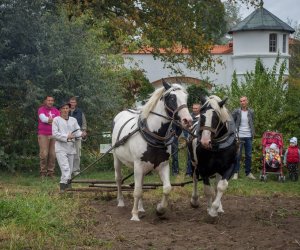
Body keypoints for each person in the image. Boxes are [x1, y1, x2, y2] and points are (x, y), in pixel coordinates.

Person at [52, 102, 86, 192]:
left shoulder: (73, 120)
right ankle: (67, 188)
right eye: (63, 108)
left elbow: (77, 132)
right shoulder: (56, 120)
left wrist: (82, 134)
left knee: (69, 170)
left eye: (67, 108)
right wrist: (66, 136)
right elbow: (55, 134)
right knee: (65, 168)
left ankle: (64, 189)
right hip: (60, 148)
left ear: (69, 110)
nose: (65, 110)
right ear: (60, 110)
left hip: (71, 148)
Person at [232, 96, 256, 179]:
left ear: (247, 101)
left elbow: (252, 122)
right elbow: (232, 121)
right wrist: (234, 133)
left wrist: (253, 133)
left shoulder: (251, 111)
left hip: (248, 136)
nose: (242, 102)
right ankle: (236, 172)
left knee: (248, 155)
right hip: (239, 136)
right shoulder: (236, 111)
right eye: (241, 101)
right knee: (238, 155)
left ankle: (248, 173)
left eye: (244, 101)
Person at [37, 95, 60, 178]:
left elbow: (58, 122)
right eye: (48, 100)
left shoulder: (56, 111)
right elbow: (43, 119)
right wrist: (50, 120)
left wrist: (50, 120)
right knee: (44, 154)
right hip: (43, 134)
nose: (50, 102)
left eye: (52, 100)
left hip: (54, 134)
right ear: (45, 101)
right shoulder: (41, 109)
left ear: (53, 102)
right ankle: (43, 172)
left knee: (53, 154)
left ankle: (51, 172)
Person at [69, 96, 87, 176]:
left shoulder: (80, 112)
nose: (72, 103)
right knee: (68, 154)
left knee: (77, 154)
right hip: (67, 136)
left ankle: (76, 170)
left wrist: (83, 132)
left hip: (78, 136)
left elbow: (84, 123)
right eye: (71, 102)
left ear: (76, 103)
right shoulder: (65, 110)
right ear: (69, 103)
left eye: (74, 102)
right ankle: (68, 170)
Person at [184, 103, 201, 176]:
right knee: (190, 155)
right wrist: (187, 127)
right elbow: (184, 125)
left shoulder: (202, 117)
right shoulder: (189, 116)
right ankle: (189, 172)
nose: (194, 110)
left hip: (199, 139)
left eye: (196, 108)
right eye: (193, 108)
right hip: (190, 138)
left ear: (199, 109)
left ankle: (200, 171)